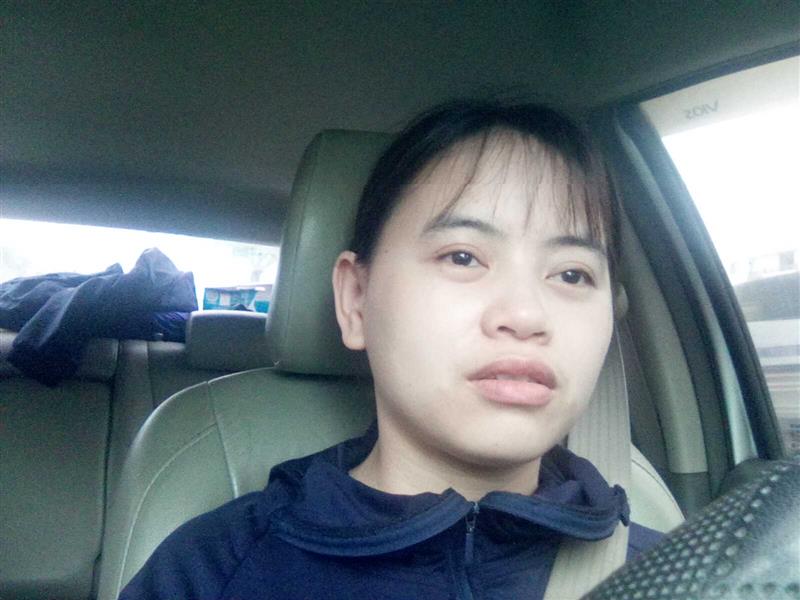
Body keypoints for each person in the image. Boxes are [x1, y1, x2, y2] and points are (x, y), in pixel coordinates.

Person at [120, 101, 663, 599]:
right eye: (463, 257)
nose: (526, 316)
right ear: (356, 300)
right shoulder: (210, 572)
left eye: (572, 274)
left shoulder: (675, 574)